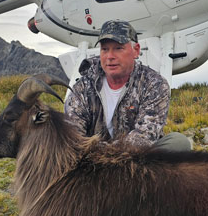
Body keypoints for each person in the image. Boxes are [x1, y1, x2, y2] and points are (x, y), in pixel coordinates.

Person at [64, 19, 191, 151]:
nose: (110, 56)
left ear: (136, 50)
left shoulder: (154, 84)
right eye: (105, 49)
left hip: (135, 158)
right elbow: (73, 133)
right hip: (93, 160)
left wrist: (108, 153)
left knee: (179, 143)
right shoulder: (82, 87)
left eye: (118, 48)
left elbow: (144, 136)